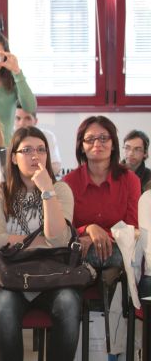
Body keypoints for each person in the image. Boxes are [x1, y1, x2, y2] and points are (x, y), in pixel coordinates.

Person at [0, 127, 81, 361]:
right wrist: (41, 243)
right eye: (26, 150)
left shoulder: (61, 190)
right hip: (11, 278)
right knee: (3, 306)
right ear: (13, 157)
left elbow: (60, 238)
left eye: (41, 149)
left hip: (52, 278)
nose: (35, 155)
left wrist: (46, 190)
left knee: (69, 302)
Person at [63, 116, 140, 270]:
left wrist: (97, 236)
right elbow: (63, 229)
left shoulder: (130, 180)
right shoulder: (68, 182)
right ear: (81, 147)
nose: (97, 144)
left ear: (113, 145)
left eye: (103, 138)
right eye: (90, 139)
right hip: (80, 252)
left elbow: (132, 228)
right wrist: (88, 229)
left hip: (120, 251)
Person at [14, 105, 62, 176]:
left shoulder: (47, 136)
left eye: (27, 118)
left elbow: (55, 166)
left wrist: (36, 177)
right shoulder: (6, 138)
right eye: (18, 118)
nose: (22, 123)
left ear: (36, 121)